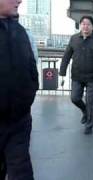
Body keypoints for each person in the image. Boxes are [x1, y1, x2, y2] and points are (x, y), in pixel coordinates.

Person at [0, 0, 39, 179]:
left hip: (19, 122)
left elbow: (32, 68)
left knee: (21, 174)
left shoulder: (20, 31)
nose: (19, 0)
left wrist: (27, 99)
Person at [59, 16, 93, 135]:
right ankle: (85, 111)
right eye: (83, 24)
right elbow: (66, 56)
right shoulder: (74, 39)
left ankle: (89, 125)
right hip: (77, 76)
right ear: (80, 26)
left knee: (91, 102)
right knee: (74, 98)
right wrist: (62, 71)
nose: (85, 26)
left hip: (92, 77)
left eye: (88, 24)